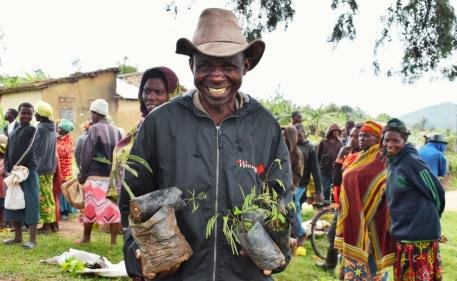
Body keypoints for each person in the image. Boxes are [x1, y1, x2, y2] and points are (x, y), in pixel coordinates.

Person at [120, 8, 294, 281]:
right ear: (191, 66)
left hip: (244, 275)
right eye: (205, 65)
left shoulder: (265, 127)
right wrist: (136, 250)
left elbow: (281, 199)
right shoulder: (160, 123)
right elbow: (132, 201)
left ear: (245, 66)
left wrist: (281, 244)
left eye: (228, 65)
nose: (216, 76)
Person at [383, 118, 445, 281]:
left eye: (395, 140)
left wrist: (429, 219)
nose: (390, 144)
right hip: (404, 234)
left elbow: (437, 192)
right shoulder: (394, 162)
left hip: (419, 239)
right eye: (387, 140)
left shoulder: (411, 161)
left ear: (404, 140)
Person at [108, 66, 180, 201]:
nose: (150, 97)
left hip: (168, 209)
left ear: (172, 95)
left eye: (158, 92)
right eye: (146, 91)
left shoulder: (178, 130)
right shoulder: (139, 128)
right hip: (134, 207)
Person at [334, 121, 393, 280]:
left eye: (366, 135)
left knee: (373, 265)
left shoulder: (379, 159)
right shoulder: (361, 157)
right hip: (355, 216)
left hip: (374, 218)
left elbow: (377, 185)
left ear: (378, 138)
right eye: (360, 135)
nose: (361, 138)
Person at [77, 98, 122, 245]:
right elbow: (121, 155)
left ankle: (86, 238)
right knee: (113, 209)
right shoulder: (117, 131)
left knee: (90, 207)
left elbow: (87, 153)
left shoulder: (94, 129)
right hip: (112, 177)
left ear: (97, 114)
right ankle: (114, 240)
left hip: (95, 176)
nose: (91, 117)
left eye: (92, 114)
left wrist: (82, 174)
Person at [317, 125, 361, 272]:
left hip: (353, 206)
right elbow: (337, 181)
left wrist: (340, 157)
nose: (353, 139)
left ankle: (344, 268)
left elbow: (338, 179)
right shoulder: (350, 154)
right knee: (333, 235)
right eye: (353, 136)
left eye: (358, 136)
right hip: (342, 202)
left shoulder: (360, 158)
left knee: (346, 240)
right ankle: (331, 265)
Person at [3, 102, 40, 249]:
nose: (26, 116)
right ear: (18, 113)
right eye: (23, 113)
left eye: (29, 113)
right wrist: (7, 170)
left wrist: (17, 167)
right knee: (14, 202)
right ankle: (18, 237)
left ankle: (32, 240)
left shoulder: (33, 130)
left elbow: (29, 149)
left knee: (32, 203)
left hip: (28, 172)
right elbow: (7, 153)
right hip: (15, 174)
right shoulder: (13, 132)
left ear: (32, 115)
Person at [294, 123, 322, 246]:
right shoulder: (290, 145)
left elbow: (315, 170)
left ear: (303, 134)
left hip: (301, 183)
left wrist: (318, 190)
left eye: (299, 135)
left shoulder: (310, 148)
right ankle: (294, 231)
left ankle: (300, 233)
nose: (297, 138)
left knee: (294, 205)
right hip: (290, 182)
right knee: (291, 206)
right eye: (295, 135)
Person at [33, 100, 58, 234]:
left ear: (41, 114)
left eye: (36, 112)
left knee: (43, 196)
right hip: (50, 167)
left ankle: (46, 226)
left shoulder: (40, 128)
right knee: (49, 195)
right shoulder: (52, 127)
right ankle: (52, 225)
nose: (34, 115)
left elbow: (34, 148)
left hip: (41, 167)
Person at [317, 123, 343, 204]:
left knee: (335, 189)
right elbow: (318, 155)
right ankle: (326, 205)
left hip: (335, 171)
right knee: (326, 189)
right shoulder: (323, 142)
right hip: (324, 170)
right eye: (334, 131)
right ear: (330, 132)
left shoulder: (340, 144)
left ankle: (334, 205)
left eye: (337, 131)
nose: (336, 133)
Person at [56, 119, 76, 220]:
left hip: (65, 169)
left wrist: (56, 143)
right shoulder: (60, 138)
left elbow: (64, 151)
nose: (57, 129)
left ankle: (64, 211)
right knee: (59, 189)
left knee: (63, 190)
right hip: (59, 168)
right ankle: (60, 210)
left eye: (59, 128)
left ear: (64, 130)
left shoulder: (68, 139)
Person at [0, 134, 7, 229]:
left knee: (1, 206)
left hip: (2, 187)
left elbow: (2, 171)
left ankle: (2, 223)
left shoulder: (4, 161)